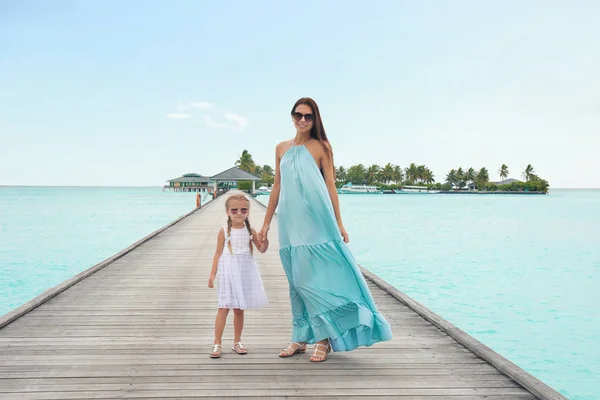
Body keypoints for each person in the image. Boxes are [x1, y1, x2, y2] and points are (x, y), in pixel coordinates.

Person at [258, 97, 393, 362]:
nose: (303, 121)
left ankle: (323, 339)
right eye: (299, 115)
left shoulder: (321, 147)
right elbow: (277, 187)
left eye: (309, 117)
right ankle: (299, 337)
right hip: (289, 222)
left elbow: (330, 186)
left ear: (315, 119)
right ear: (292, 116)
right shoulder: (281, 148)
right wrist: (265, 223)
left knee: (315, 281)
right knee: (296, 282)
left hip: (317, 221)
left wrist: (340, 222)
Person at [208, 193, 269, 358]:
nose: (239, 213)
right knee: (223, 307)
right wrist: (212, 274)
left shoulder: (250, 230)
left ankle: (237, 341)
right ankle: (217, 343)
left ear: (248, 212)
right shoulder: (223, 231)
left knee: (239, 308)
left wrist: (266, 240)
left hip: (244, 271)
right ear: (227, 212)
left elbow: (261, 250)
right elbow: (218, 253)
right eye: (234, 210)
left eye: (243, 210)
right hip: (228, 271)